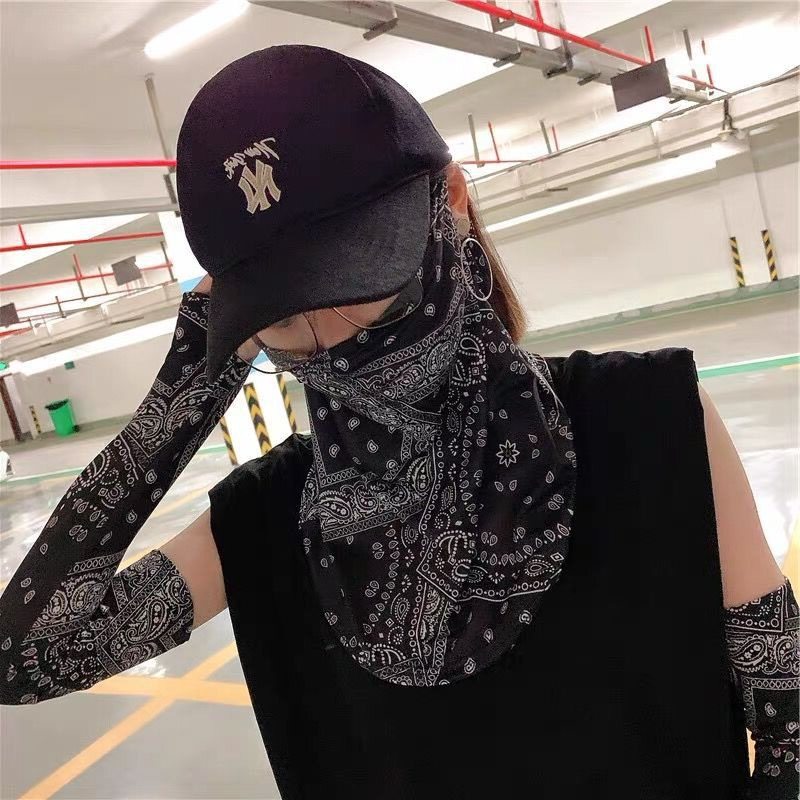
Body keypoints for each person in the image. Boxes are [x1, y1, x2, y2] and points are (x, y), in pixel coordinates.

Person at [1, 44, 797, 800]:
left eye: (357, 285)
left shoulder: (648, 420)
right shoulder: (263, 524)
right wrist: (184, 393)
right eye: (284, 320)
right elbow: (26, 658)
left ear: (449, 199)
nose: (335, 346)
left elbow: (787, 718)